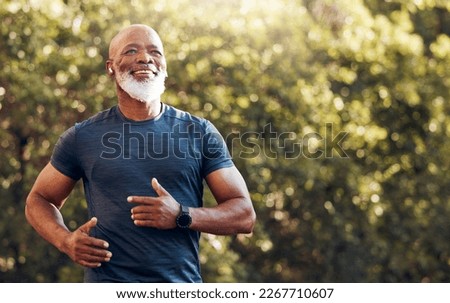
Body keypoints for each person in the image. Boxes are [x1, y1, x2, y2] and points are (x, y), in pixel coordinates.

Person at [25, 24, 256, 282]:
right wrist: (65, 240)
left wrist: (182, 215)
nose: (145, 58)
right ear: (110, 66)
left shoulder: (199, 132)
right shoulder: (83, 136)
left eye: (154, 52)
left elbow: (244, 215)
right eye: (131, 51)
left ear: (164, 66)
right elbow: (40, 199)